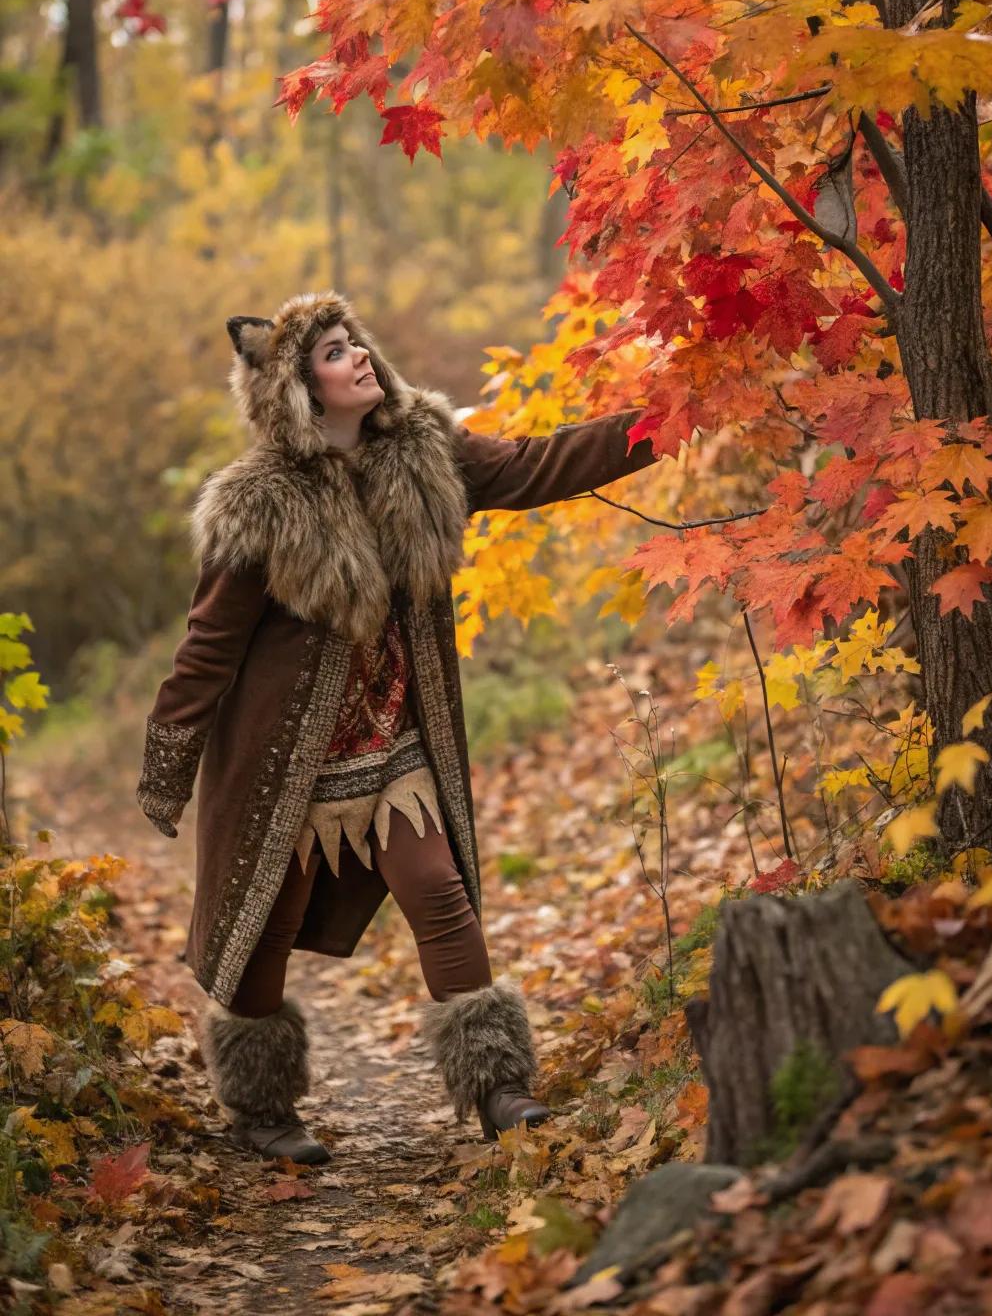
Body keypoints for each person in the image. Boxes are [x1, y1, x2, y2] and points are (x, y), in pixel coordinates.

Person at [136, 290, 659, 1164]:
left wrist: (661, 424)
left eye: (357, 343)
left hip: (394, 745)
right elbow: (207, 650)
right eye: (337, 353)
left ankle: (499, 1090)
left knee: (442, 898)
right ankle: (264, 1108)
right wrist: (168, 764)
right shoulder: (259, 506)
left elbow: (540, 465)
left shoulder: (427, 452)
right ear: (300, 390)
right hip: (286, 765)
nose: (361, 359)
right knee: (266, 934)